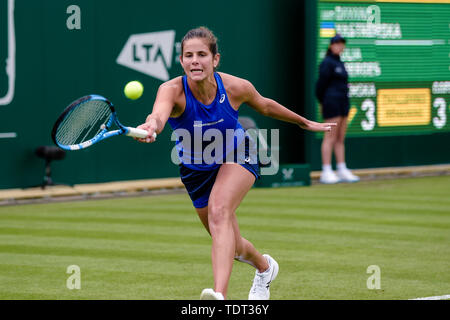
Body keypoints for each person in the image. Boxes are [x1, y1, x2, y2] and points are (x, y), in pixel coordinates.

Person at [135, 27, 336, 300]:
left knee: (219, 212)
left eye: (202, 55)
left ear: (215, 59)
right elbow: (158, 116)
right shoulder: (171, 91)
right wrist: (152, 126)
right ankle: (265, 268)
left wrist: (303, 122)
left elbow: (264, 105)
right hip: (196, 171)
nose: (195, 60)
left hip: (237, 153)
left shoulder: (234, 87)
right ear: (181, 61)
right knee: (234, 245)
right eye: (188, 55)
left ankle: (219, 295)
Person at [315, 34, 360, 184]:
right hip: (331, 102)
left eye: (342, 43)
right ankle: (326, 170)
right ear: (331, 45)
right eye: (337, 43)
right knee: (330, 137)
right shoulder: (327, 63)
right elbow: (320, 86)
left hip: (343, 103)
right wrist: (323, 102)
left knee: (340, 138)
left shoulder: (340, 63)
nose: (339, 46)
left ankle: (342, 169)